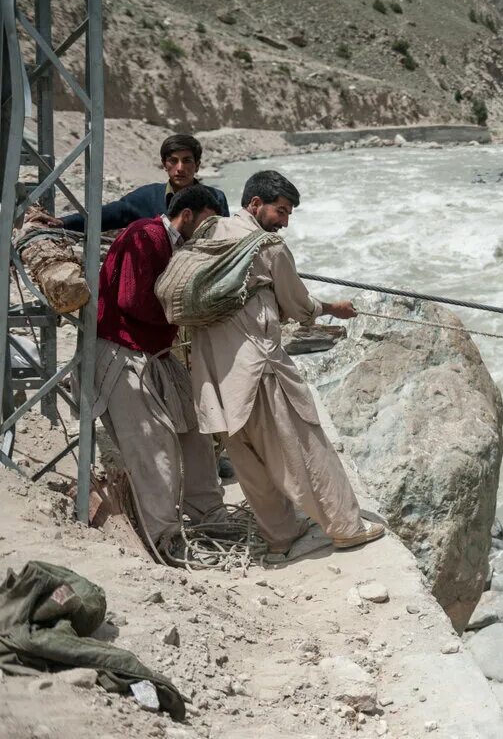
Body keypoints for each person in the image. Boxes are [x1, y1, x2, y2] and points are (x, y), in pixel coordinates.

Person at [187, 170, 383, 554]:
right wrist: (332, 309)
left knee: (248, 461)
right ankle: (345, 526)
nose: (285, 222)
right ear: (255, 204)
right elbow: (298, 304)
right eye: (281, 211)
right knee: (306, 446)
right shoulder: (267, 246)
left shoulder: (207, 234)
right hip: (259, 369)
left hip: (212, 374)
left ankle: (279, 536)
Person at [92, 186, 226, 548]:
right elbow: (132, 300)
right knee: (153, 446)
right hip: (123, 352)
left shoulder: (176, 244)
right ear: (187, 215)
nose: (209, 232)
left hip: (155, 351)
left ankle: (208, 512)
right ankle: (164, 536)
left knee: (195, 428)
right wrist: (191, 311)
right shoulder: (145, 235)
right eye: (207, 223)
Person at [59, 134, 229, 232]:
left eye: (187, 161)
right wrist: (64, 222)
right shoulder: (148, 196)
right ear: (164, 164)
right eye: (173, 161)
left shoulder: (215, 198)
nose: (180, 168)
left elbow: (227, 240)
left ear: (197, 165)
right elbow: (109, 214)